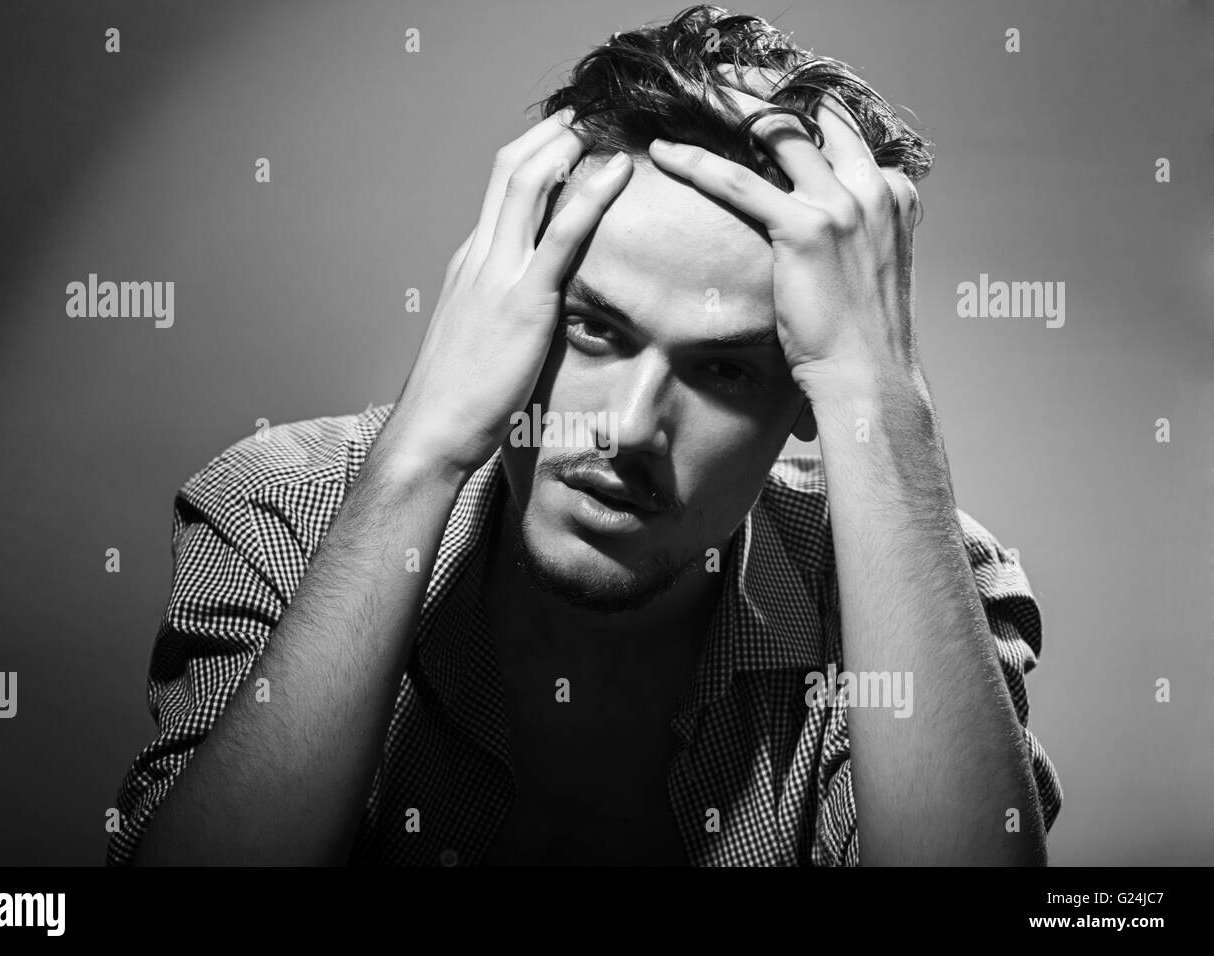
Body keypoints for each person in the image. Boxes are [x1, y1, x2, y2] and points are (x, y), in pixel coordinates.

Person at [109, 4, 1062, 866]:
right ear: (503, 299)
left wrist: (881, 395)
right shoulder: (286, 506)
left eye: (725, 369)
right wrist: (419, 457)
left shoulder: (917, 586)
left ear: (808, 398)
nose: (630, 425)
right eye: (593, 328)